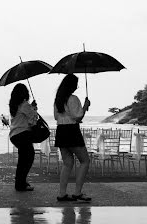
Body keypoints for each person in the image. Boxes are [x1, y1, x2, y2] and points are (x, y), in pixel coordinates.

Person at [54, 74, 91, 202]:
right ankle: (77, 193)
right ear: (71, 85)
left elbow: (56, 117)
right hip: (71, 131)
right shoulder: (73, 98)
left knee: (67, 163)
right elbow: (78, 117)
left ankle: (62, 193)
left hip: (61, 131)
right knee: (85, 161)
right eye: (76, 84)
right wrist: (85, 106)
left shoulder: (58, 99)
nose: (77, 86)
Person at [8, 83, 39, 191]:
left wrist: (32, 107)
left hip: (14, 135)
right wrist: (34, 108)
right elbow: (32, 119)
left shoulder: (14, 105)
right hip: (23, 134)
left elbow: (24, 116)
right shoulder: (24, 104)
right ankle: (20, 183)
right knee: (28, 158)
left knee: (23, 159)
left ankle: (20, 182)